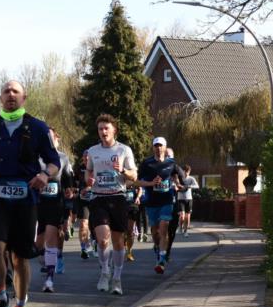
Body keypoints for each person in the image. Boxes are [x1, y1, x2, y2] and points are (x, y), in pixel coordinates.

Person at [0, 80, 61, 307]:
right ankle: (2, 298)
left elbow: (54, 162)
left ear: (24, 97)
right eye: (6, 91)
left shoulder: (38, 127)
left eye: (15, 91)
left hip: (25, 199)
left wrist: (45, 175)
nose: (10, 95)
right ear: (0, 97)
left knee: (20, 257)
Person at [85, 114, 138, 296]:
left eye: (106, 128)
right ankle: (105, 271)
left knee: (117, 241)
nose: (103, 131)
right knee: (102, 240)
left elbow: (134, 176)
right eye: (100, 129)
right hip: (99, 198)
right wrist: (88, 180)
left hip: (118, 198)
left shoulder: (124, 150)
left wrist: (122, 170)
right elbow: (88, 171)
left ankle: (117, 278)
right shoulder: (93, 151)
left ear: (114, 130)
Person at [137, 137, 186, 275]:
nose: (158, 148)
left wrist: (180, 185)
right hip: (152, 202)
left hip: (167, 201)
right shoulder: (147, 163)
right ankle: (158, 248)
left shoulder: (171, 163)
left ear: (165, 147)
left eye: (161, 146)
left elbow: (180, 179)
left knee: (164, 227)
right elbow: (136, 181)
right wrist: (150, 183)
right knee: (155, 232)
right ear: (153, 148)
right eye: (156, 146)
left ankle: (162, 259)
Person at [34, 128, 74, 293]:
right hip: (36, 203)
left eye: (51, 136)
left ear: (56, 139)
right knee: (37, 244)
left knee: (51, 237)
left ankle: (49, 279)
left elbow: (68, 179)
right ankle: (44, 257)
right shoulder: (35, 156)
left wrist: (69, 190)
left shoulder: (63, 158)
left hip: (55, 203)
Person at [73, 151, 96, 259]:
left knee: (95, 226)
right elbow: (73, 183)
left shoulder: (96, 167)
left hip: (96, 200)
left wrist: (89, 188)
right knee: (83, 224)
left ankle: (95, 244)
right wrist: (78, 191)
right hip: (83, 200)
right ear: (82, 158)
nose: (86, 159)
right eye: (85, 157)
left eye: (88, 157)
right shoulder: (78, 168)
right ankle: (84, 248)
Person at [177, 164, 199, 236]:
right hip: (180, 199)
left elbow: (197, 186)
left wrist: (189, 186)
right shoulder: (179, 178)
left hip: (189, 199)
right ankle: (180, 228)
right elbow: (174, 184)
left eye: (188, 172)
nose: (186, 173)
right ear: (182, 172)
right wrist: (177, 186)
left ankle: (185, 231)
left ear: (189, 172)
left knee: (187, 216)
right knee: (182, 215)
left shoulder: (191, 179)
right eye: (185, 172)